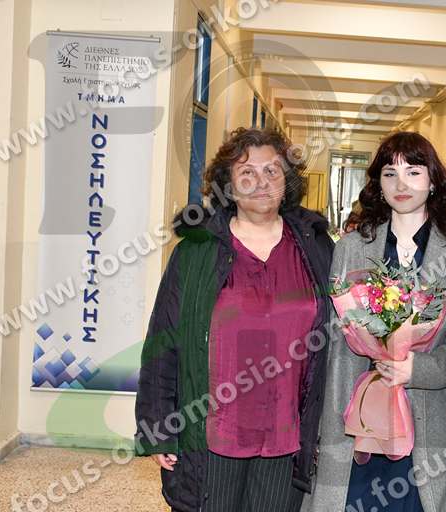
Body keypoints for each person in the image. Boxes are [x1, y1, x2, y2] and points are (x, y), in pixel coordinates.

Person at [134, 127, 334, 512]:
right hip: (213, 435)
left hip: (286, 434)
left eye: (272, 171)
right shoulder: (196, 252)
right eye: (246, 173)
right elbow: (163, 341)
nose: (261, 181)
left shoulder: (316, 248)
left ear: (287, 181)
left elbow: (336, 339)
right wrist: (158, 426)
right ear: (228, 185)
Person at [303, 132, 446, 512]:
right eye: (390, 173)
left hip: (421, 420)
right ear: (378, 184)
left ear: (432, 181)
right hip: (353, 416)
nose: (401, 184)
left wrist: (418, 369)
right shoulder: (351, 248)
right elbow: (333, 341)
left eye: (413, 172)